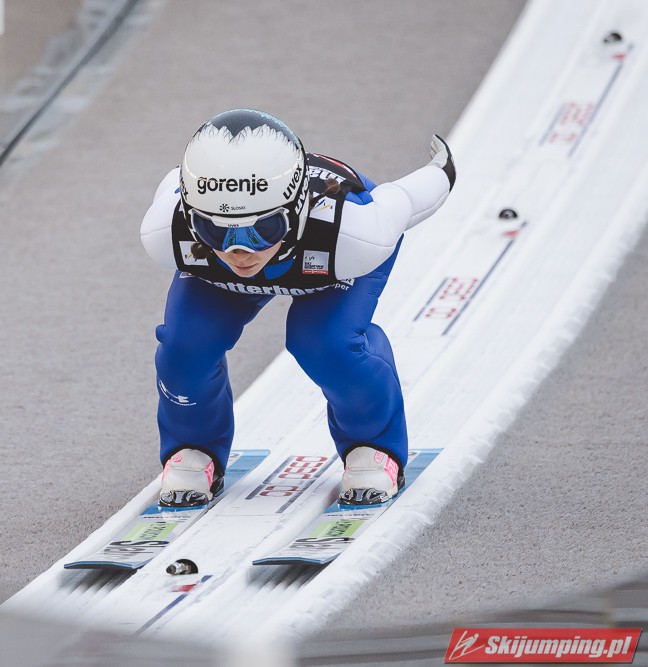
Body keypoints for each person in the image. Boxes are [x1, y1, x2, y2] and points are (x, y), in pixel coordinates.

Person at [139, 108, 455, 508]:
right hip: (261, 261)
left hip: (327, 261)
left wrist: (443, 168)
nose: (239, 252)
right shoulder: (165, 230)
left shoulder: (356, 233)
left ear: (297, 211)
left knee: (325, 343)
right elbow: (175, 183)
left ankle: (373, 445)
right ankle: (193, 447)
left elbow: (406, 199)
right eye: (214, 229)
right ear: (190, 216)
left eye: (263, 228)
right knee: (185, 346)